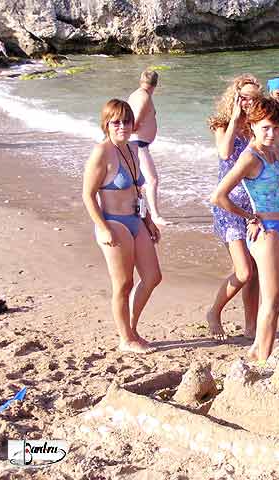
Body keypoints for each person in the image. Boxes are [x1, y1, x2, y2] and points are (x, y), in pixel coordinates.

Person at [211, 97, 279, 361]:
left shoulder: (272, 150)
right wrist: (249, 217)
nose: (271, 133)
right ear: (252, 126)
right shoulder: (250, 157)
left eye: (276, 128)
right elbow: (218, 196)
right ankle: (261, 358)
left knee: (278, 297)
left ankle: (258, 348)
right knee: (272, 299)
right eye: (265, 127)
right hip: (266, 230)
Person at [82, 99, 162, 354]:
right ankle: (126, 339)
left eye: (126, 121)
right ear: (106, 124)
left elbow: (138, 190)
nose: (122, 126)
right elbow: (87, 195)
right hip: (114, 223)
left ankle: (131, 328)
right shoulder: (102, 152)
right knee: (124, 284)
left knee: (153, 277)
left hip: (136, 220)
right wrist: (103, 227)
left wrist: (148, 220)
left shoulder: (131, 148)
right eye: (116, 122)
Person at [207, 74, 261, 341]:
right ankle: (214, 312)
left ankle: (251, 326)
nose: (249, 102)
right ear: (235, 98)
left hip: (254, 208)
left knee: (255, 272)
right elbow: (225, 153)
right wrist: (236, 119)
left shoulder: (257, 126)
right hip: (229, 208)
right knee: (244, 271)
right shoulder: (222, 125)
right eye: (244, 98)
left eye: (254, 98)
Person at [128, 70, 170, 226]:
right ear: (156, 84)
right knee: (152, 180)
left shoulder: (135, 94)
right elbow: (135, 122)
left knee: (140, 181)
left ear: (141, 81)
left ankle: (138, 210)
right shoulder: (144, 97)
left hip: (137, 142)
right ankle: (155, 216)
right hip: (138, 143)